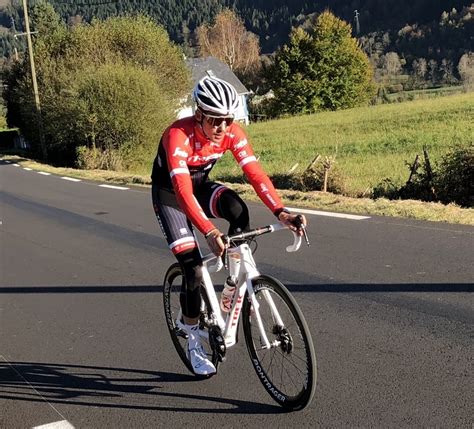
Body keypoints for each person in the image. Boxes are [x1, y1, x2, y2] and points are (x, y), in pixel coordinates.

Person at [151, 76, 307, 376]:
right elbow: (182, 191)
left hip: (201, 186)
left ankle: (233, 285)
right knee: (193, 267)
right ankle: (193, 338)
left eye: (228, 120)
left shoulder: (232, 133)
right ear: (199, 115)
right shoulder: (177, 136)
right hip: (171, 195)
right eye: (215, 120)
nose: (222, 127)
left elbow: (255, 173)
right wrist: (209, 231)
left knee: (238, 210)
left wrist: (281, 212)